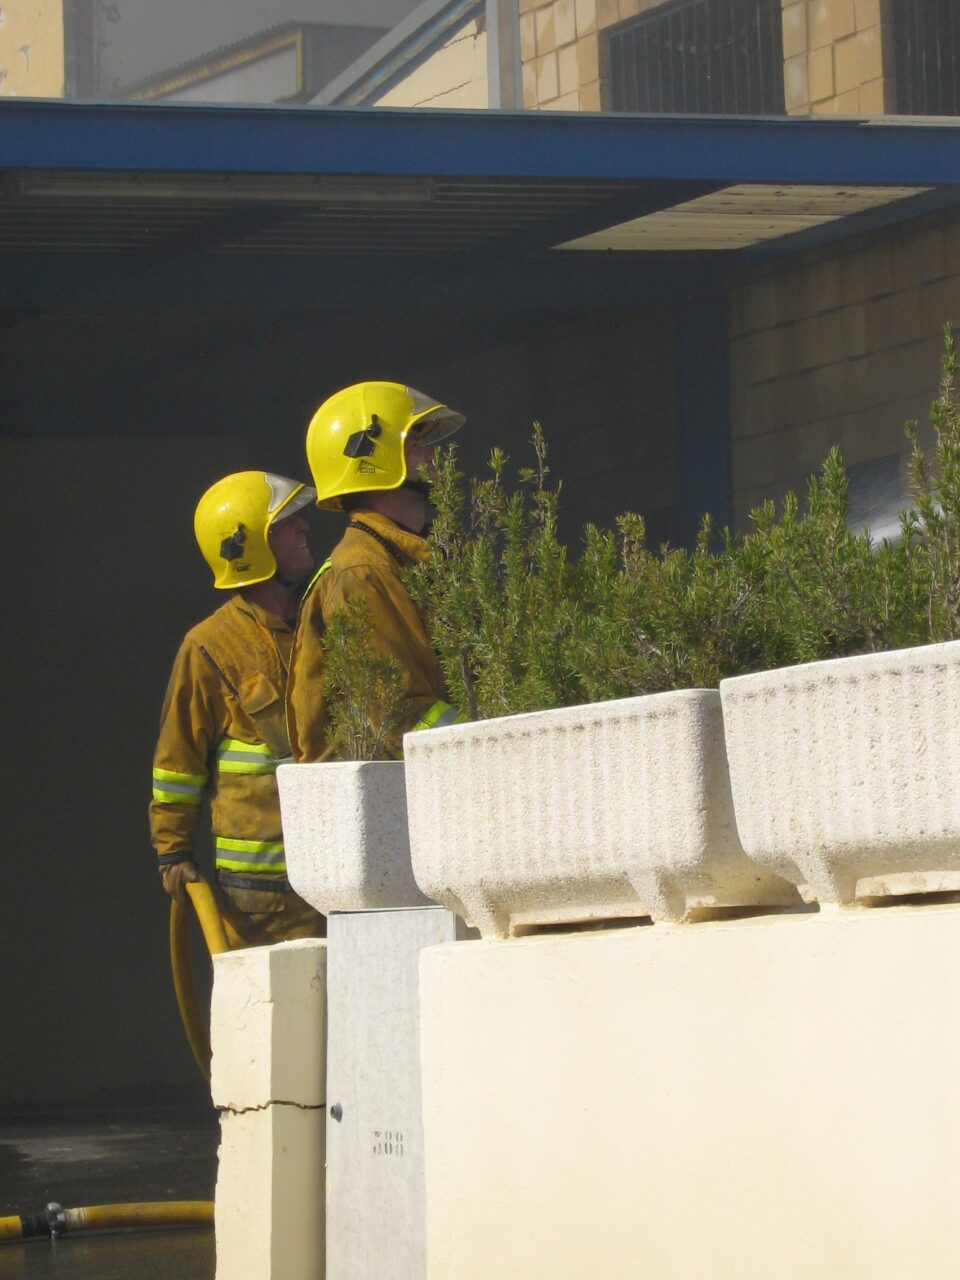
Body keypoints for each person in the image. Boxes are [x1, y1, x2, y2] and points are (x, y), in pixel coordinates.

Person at [150, 471, 325, 948]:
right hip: (262, 910)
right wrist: (175, 852)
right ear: (249, 545)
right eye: (287, 522)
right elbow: (177, 765)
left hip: (340, 881)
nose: (304, 527)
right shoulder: (209, 647)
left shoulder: (326, 620)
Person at [287, 381, 465, 762]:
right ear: (372, 460)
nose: (432, 457)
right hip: (401, 801)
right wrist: (496, 745)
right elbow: (402, 714)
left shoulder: (407, 556)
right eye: (415, 444)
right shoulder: (361, 571)